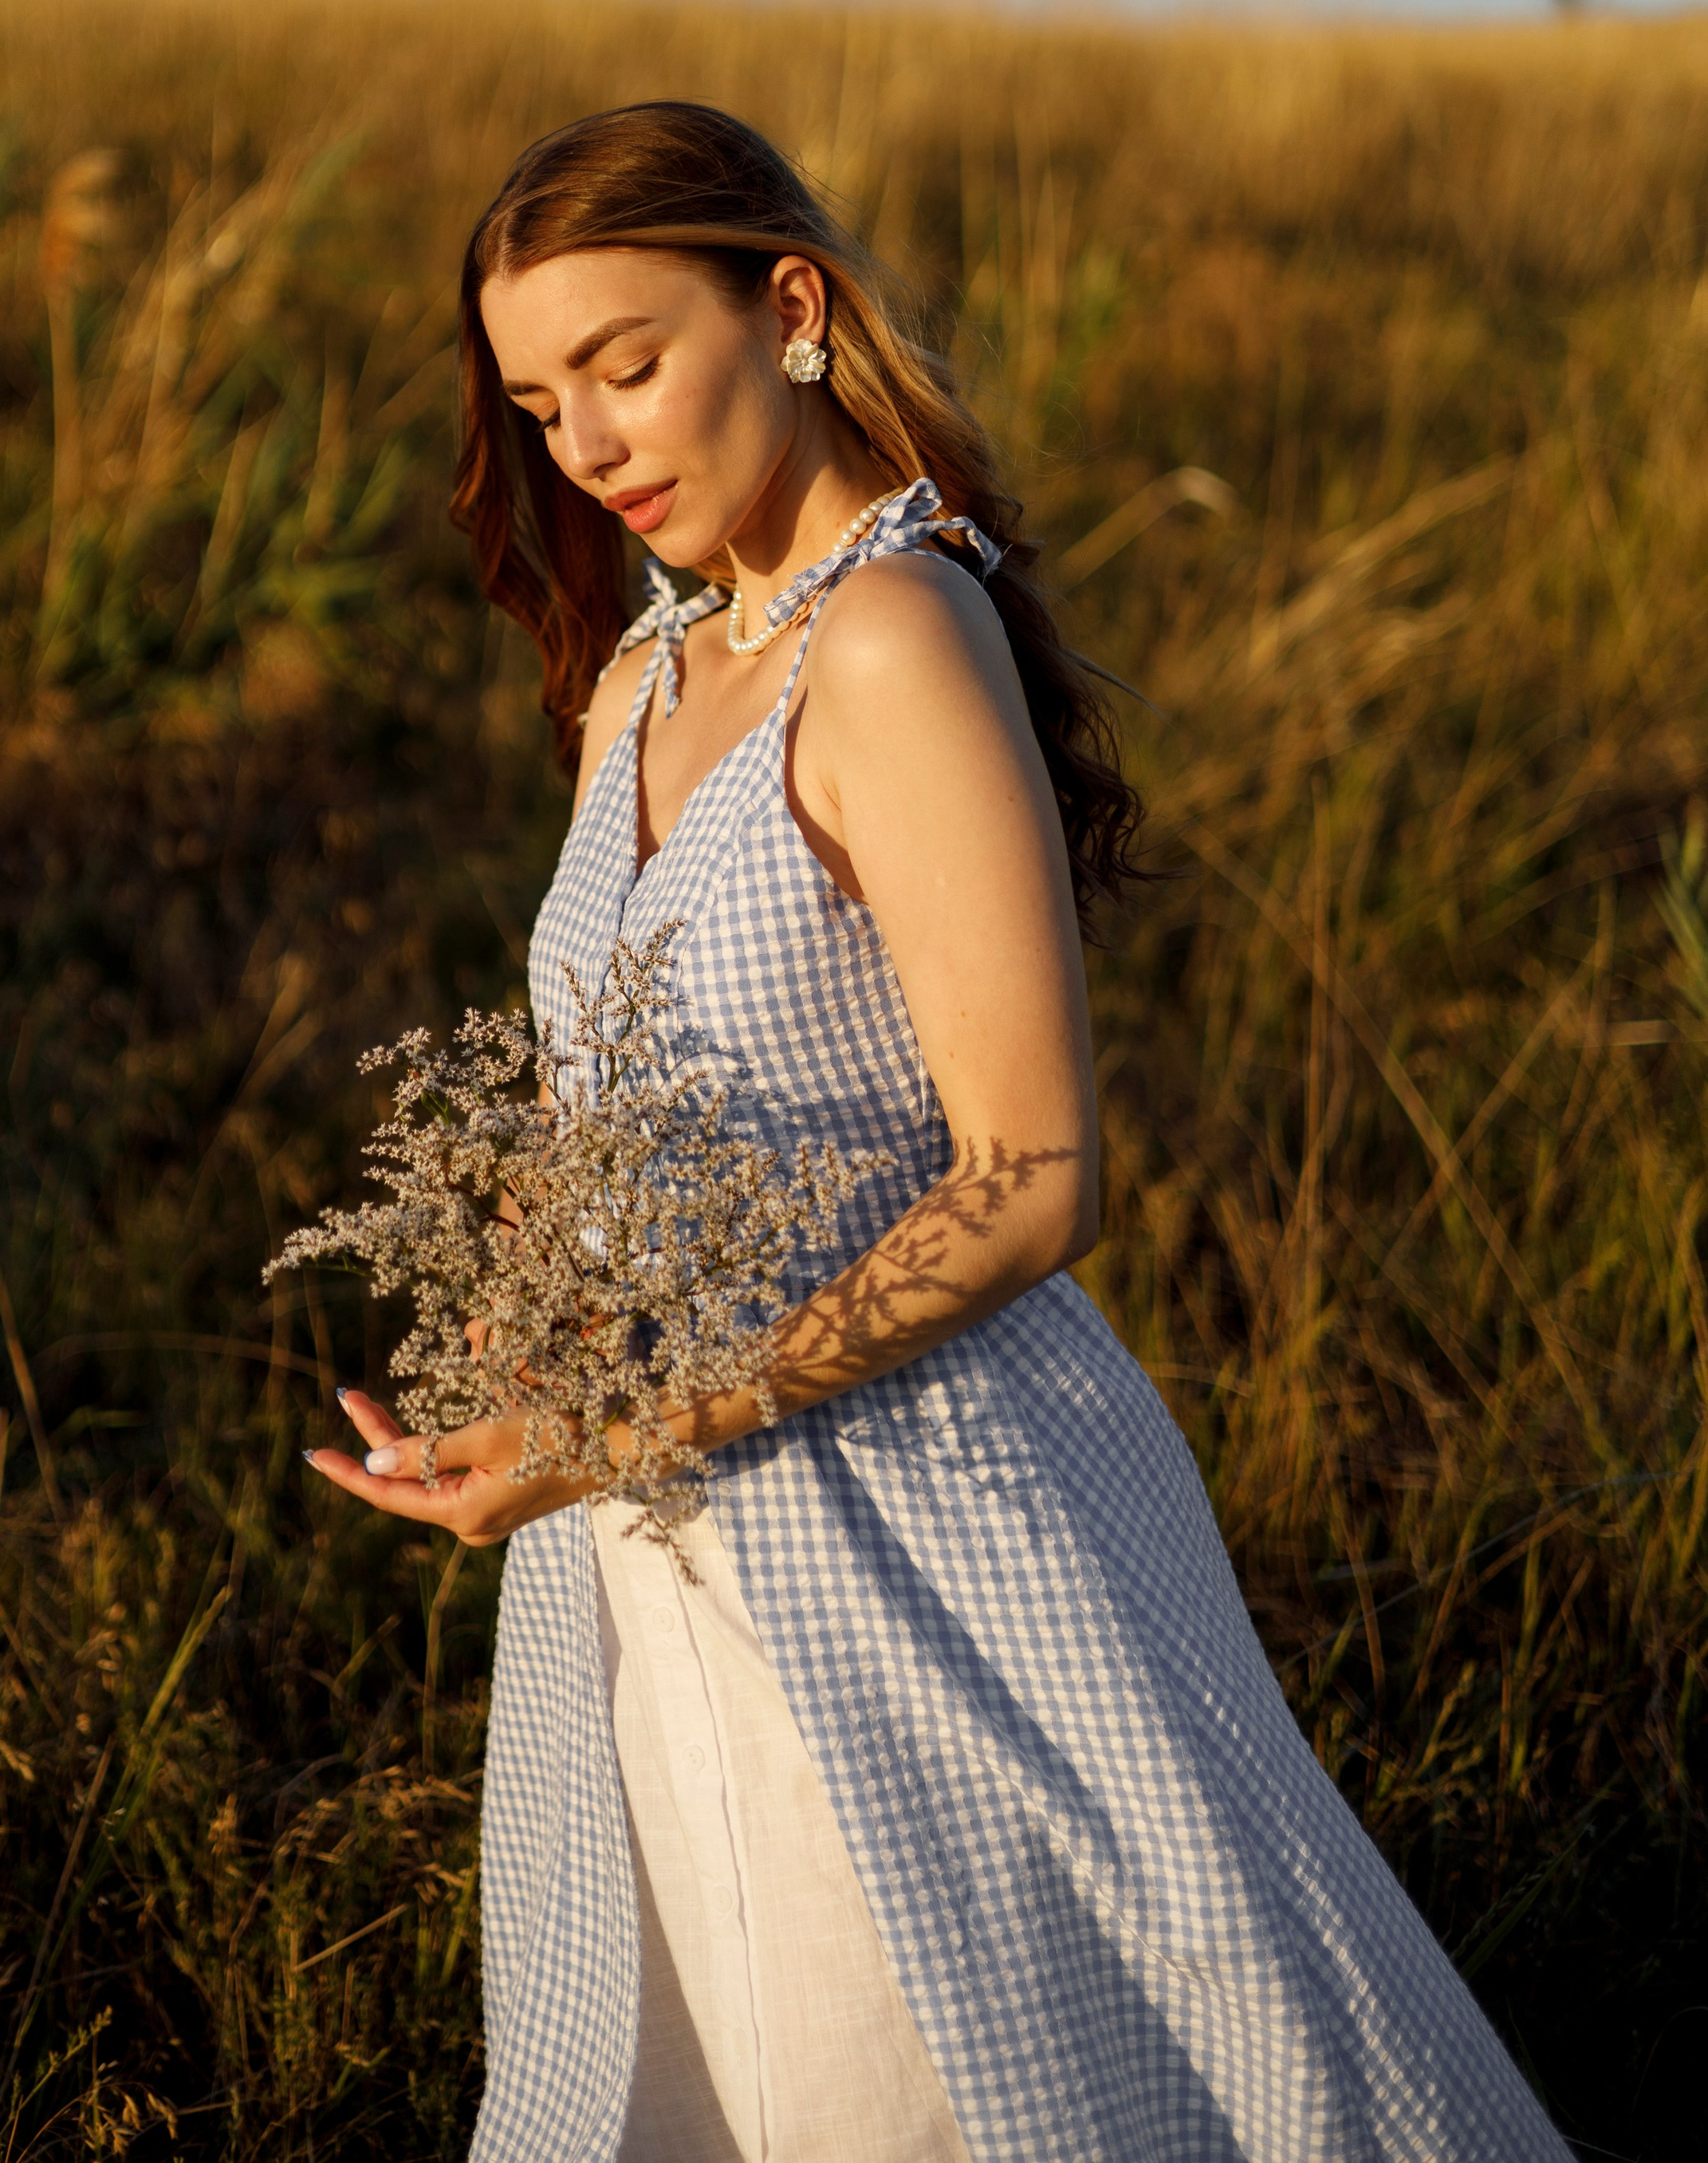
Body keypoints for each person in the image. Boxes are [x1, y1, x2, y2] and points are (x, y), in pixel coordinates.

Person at [307, 104, 1568, 2163]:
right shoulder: (645, 672)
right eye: (542, 400)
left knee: (921, 2085)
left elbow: (1033, 1182)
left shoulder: (892, 639)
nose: (589, 441)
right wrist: (530, 1342)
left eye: (630, 364)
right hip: (651, 1515)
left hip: (922, 1513)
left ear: (789, 308)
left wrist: (642, 1416)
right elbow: (603, 1082)